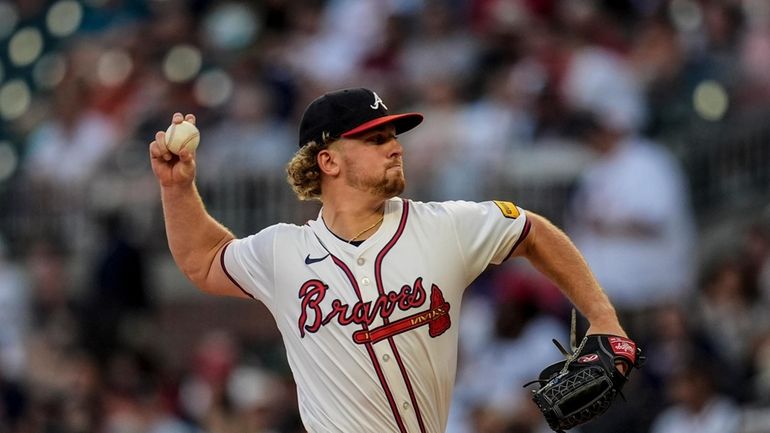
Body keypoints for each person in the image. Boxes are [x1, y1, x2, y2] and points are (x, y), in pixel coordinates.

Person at [149, 87, 632, 433]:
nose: (396, 146)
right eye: (375, 139)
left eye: (393, 135)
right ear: (329, 161)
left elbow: (532, 231)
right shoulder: (284, 251)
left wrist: (604, 318)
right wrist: (177, 188)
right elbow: (204, 259)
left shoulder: (444, 226)